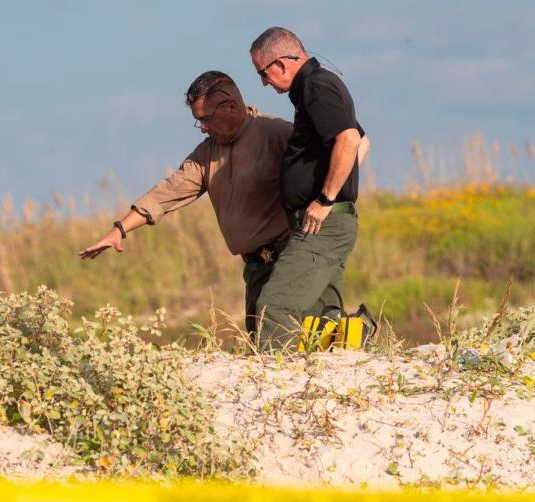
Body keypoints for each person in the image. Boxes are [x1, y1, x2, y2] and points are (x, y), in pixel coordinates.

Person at [79, 70, 370, 338]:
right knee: (265, 338)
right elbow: (167, 192)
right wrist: (119, 229)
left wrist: (327, 197)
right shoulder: (206, 153)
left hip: (293, 256)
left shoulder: (276, 133)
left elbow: (351, 145)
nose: (202, 128)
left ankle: (363, 336)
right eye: (199, 121)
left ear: (230, 107)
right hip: (256, 267)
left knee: (313, 333)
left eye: (206, 119)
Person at [249, 27, 366, 349]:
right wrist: (337, 179)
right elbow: (361, 139)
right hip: (325, 221)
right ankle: (337, 361)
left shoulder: (317, 85)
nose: (263, 82)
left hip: (322, 223)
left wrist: (326, 198)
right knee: (322, 318)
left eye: (263, 72)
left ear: (282, 63)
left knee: (275, 306)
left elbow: (350, 139)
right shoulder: (313, 88)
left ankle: (272, 376)